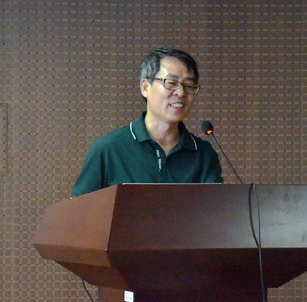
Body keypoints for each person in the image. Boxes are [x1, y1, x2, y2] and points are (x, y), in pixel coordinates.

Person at [71, 47, 223, 197]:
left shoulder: (203, 154)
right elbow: (79, 209)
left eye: (189, 86)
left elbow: (216, 209)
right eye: (171, 83)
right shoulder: (109, 149)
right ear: (145, 88)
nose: (181, 92)